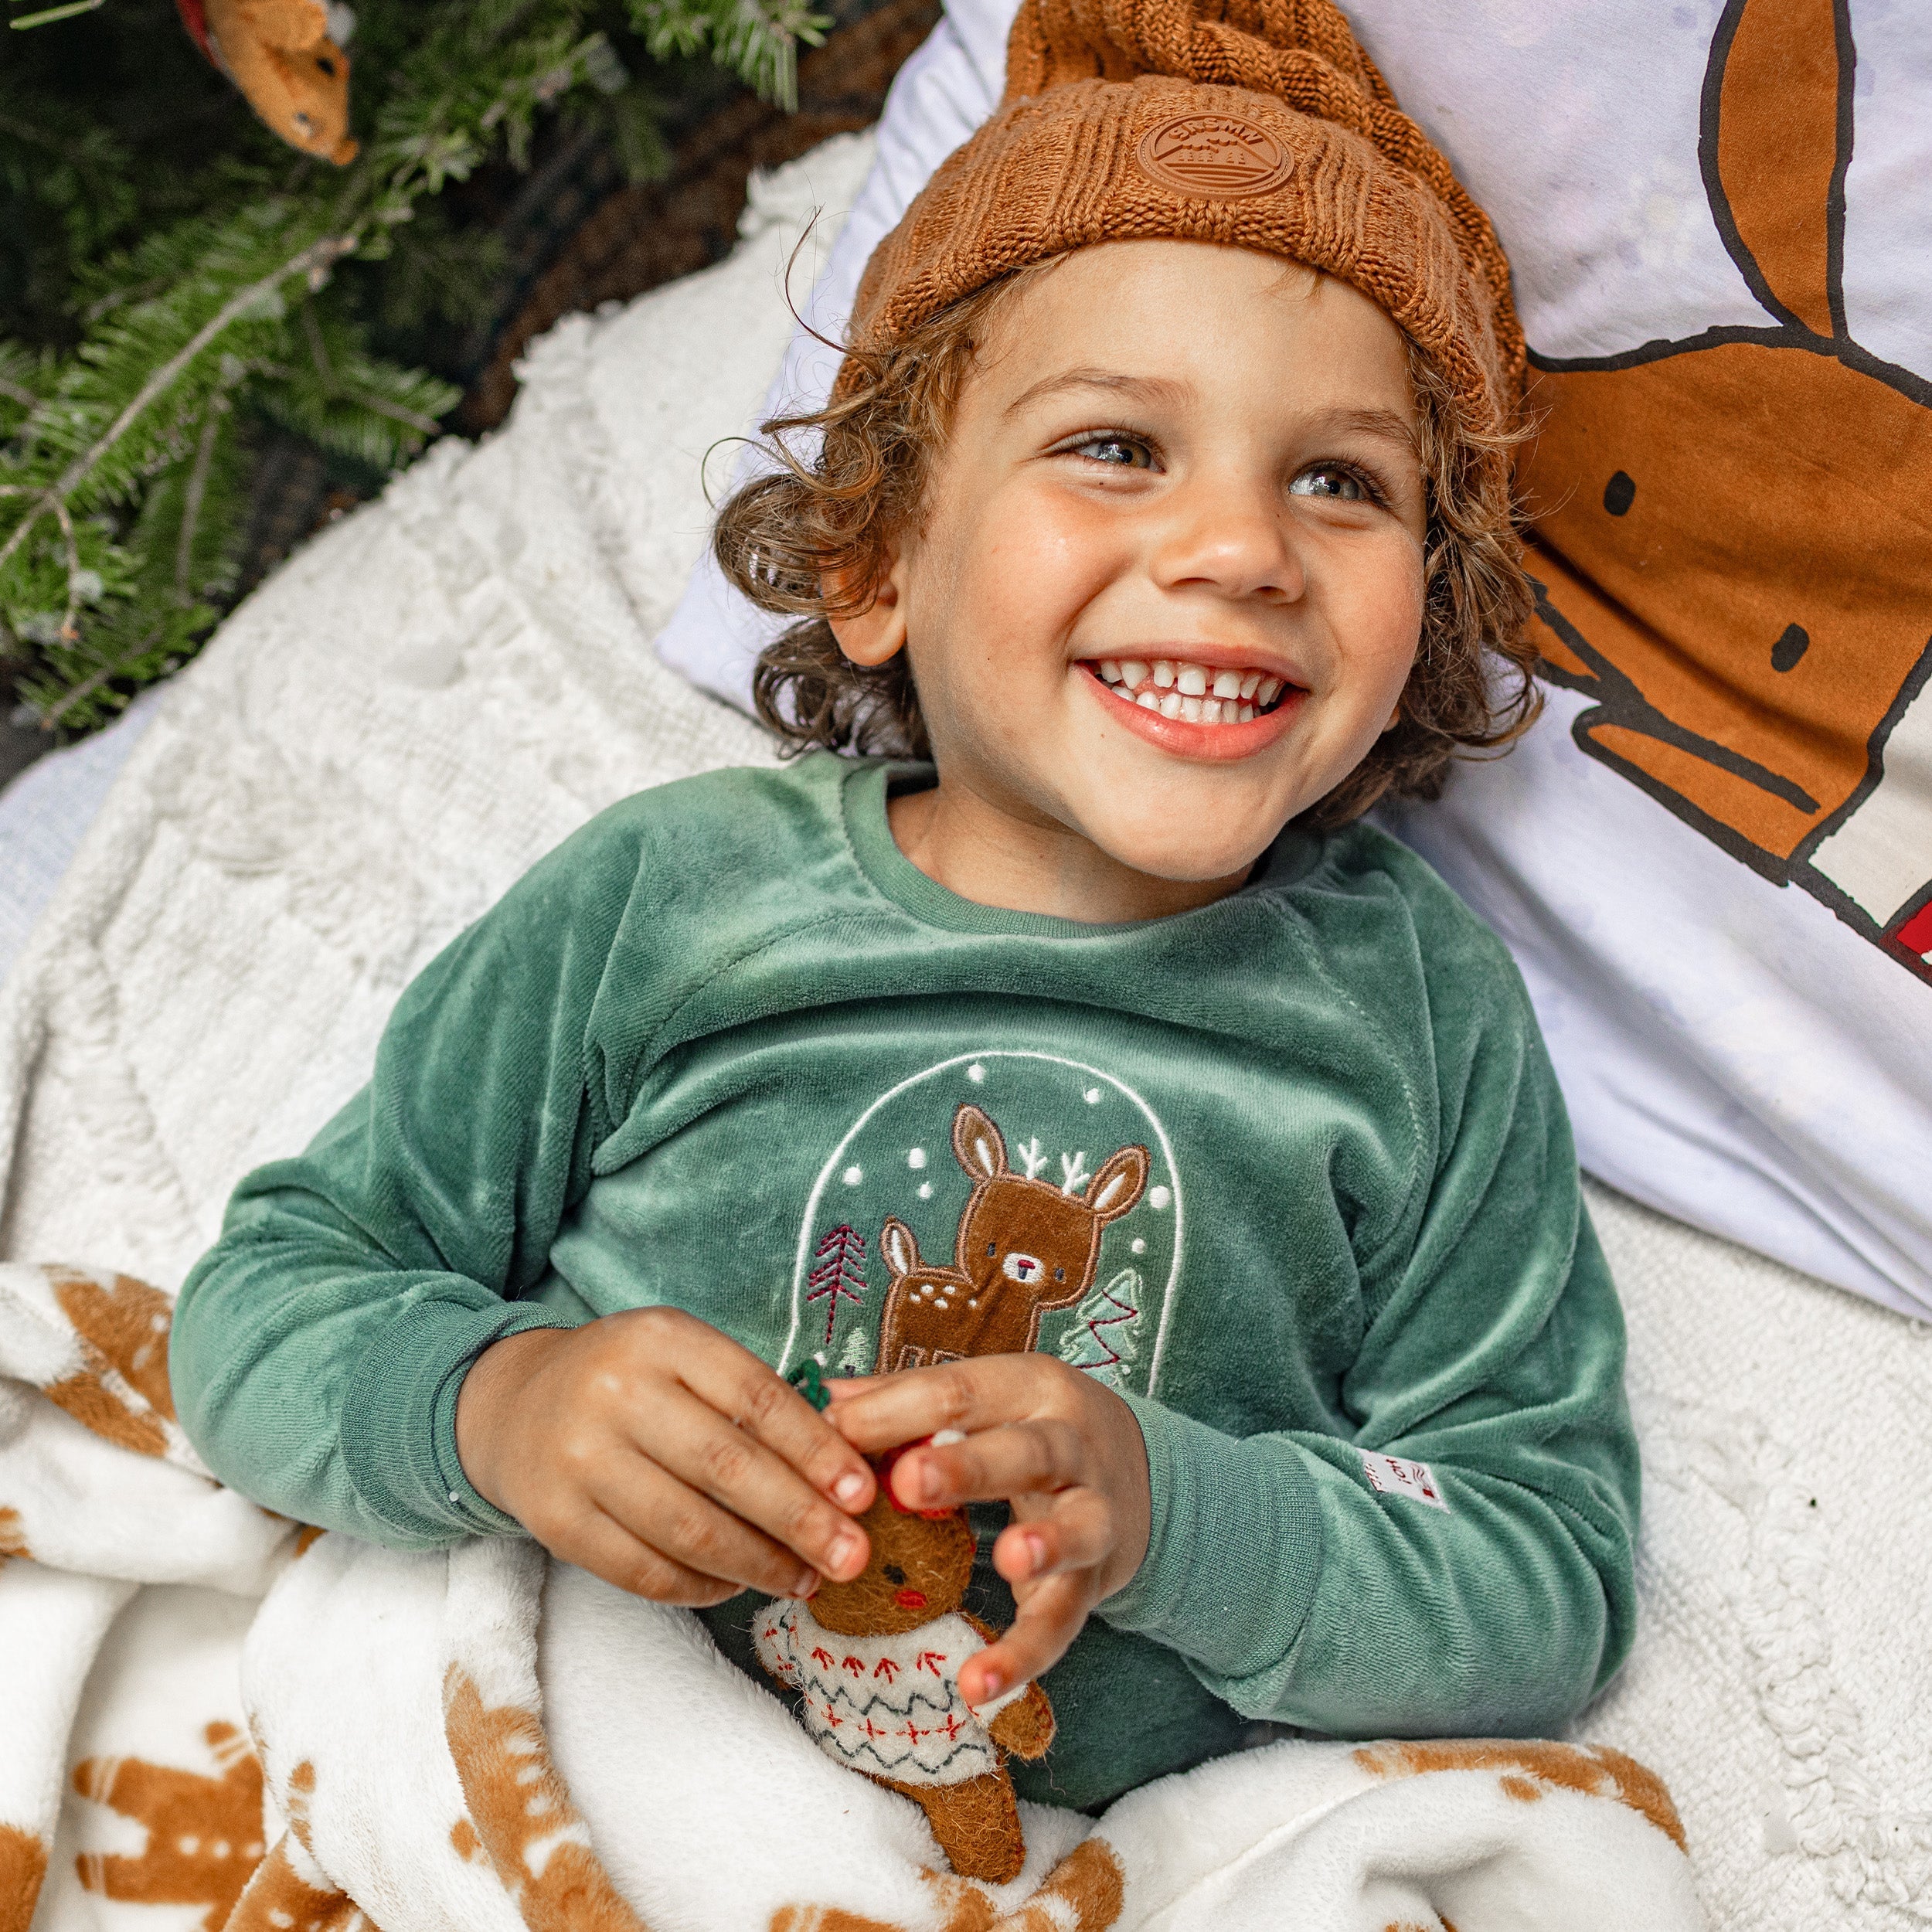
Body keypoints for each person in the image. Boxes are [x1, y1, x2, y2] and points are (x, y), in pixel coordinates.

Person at [171, 0, 1638, 1815]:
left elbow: (1537, 1565)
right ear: (873, 557)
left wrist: (1182, 1513)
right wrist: (499, 1407)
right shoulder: (675, 899)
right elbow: (265, 1306)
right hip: (568, 1777)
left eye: (1340, 481)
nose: (1243, 549)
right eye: (1114, 445)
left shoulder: (1409, 1007)